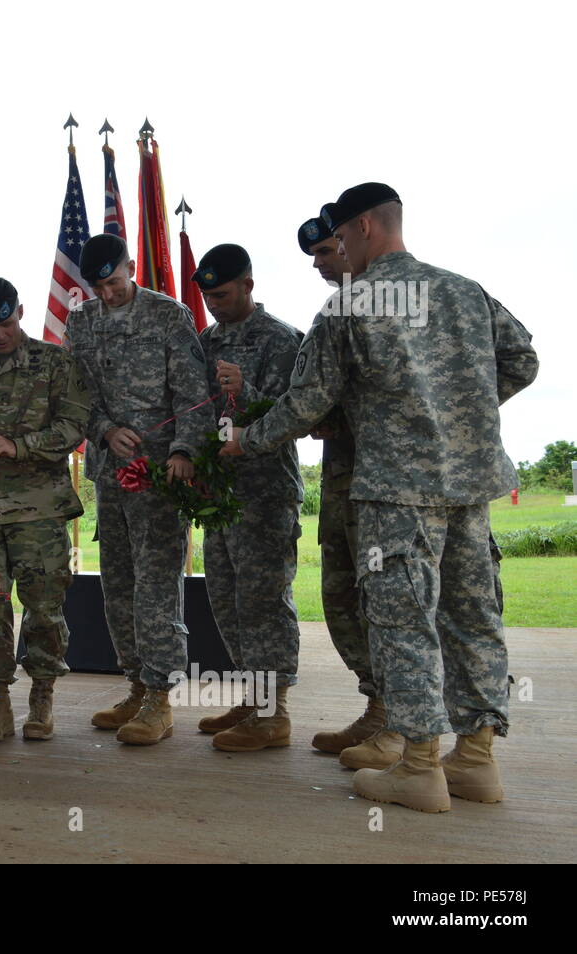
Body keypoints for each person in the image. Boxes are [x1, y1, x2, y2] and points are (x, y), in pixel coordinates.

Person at [224, 183, 538, 812]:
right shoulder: (464, 291)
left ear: (365, 226)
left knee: (403, 622)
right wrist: (456, 416)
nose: (336, 248)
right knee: (473, 617)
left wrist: (245, 442)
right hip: (470, 487)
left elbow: (307, 401)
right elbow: (522, 360)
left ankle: (419, 767)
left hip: (396, 492)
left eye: (339, 237)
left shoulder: (349, 306)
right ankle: (475, 760)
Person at [63, 233, 211, 746]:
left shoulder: (168, 316)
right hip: (110, 472)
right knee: (117, 587)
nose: (107, 293)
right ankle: (133, 683)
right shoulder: (80, 322)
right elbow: (74, 394)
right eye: (99, 287)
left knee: (155, 588)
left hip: (162, 480)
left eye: (115, 282)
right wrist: (103, 429)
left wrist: (183, 452)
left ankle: (160, 697)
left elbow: (196, 395)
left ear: (131, 267)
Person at [0, 278, 89, 742]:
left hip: (39, 511)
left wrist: (20, 445)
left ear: (21, 312)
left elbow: (73, 427)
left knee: (44, 609)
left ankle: (42, 696)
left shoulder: (55, 364)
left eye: (5, 324)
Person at [193, 244, 304, 751]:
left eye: (223, 294)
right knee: (226, 597)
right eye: (208, 296)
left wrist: (249, 383)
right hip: (221, 491)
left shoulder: (281, 339)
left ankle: (273, 711)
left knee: (263, 600)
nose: (214, 304)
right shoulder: (205, 340)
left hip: (265, 491)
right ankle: (252, 692)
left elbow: (300, 411)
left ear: (248, 285)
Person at [296, 208, 394, 763]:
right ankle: (379, 710)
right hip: (341, 482)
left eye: (328, 251)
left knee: (392, 602)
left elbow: (516, 361)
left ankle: (407, 729)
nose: (321, 263)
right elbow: (311, 397)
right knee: (341, 596)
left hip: (391, 488)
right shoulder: (331, 314)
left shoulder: (413, 300)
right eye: (314, 257)